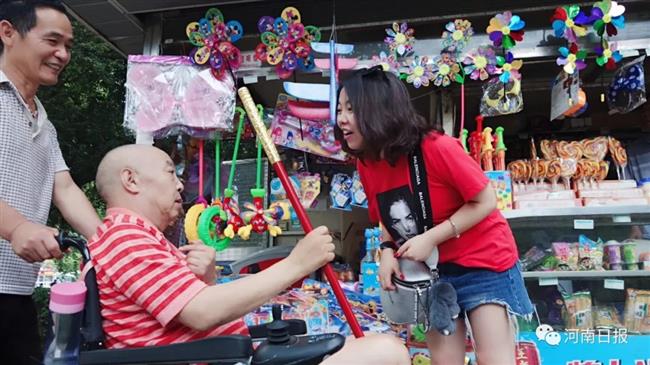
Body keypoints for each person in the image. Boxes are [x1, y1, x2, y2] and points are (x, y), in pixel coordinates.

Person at [89, 144, 410, 365]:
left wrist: (207, 281)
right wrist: (296, 263)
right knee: (385, 352)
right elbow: (201, 313)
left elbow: (190, 314)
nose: (180, 182)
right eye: (170, 172)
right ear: (131, 180)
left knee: (381, 347)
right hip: (220, 358)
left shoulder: (139, 236)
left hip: (227, 355)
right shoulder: (125, 236)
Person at [334, 66, 533, 365]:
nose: (341, 119)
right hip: (429, 274)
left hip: (484, 264)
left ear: (379, 110)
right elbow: (385, 215)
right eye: (339, 109)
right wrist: (386, 251)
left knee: (495, 360)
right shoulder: (367, 162)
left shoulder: (437, 147)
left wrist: (431, 237)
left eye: (351, 109)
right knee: (444, 361)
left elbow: (486, 199)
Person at [0, 1, 101, 363]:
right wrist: (15, 229)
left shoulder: (45, 123)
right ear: (8, 32)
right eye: (53, 41)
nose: (63, 54)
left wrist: (114, 245)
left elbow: (66, 189)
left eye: (69, 46)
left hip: (16, 291)